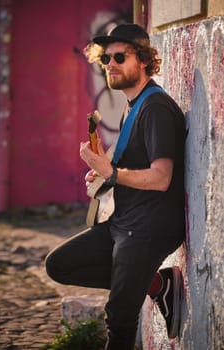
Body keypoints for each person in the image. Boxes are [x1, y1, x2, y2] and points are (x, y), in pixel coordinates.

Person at [45, 23, 186, 350]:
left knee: (119, 318)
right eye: (106, 58)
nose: (111, 64)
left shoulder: (155, 108)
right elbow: (129, 166)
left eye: (120, 56)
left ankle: (143, 283)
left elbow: (162, 176)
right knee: (59, 264)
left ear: (145, 61)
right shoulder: (132, 105)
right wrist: (103, 174)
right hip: (125, 222)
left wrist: (112, 172)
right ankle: (155, 283)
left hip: (149, 227)